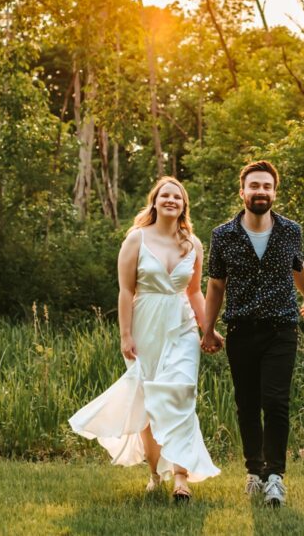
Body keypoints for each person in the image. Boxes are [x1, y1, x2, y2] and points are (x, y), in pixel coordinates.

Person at [69, 177, 220, 503]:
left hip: (181, 327)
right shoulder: (136, 240)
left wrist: (207, 329)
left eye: (176, 197)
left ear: (183, 206)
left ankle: (181, 478)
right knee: (151, 404)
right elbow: (126, 291)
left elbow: (194, 291)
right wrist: (125, 334)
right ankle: (155, 474)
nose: (170, 200)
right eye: (165, 195)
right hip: (145, 326)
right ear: (154, 201)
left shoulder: (193, 243)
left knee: (182, 396)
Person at [201, 160, 304, 508]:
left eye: (267, 186)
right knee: (247, 404)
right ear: (243, 192)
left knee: (276, 402)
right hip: (242, 330)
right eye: (254, 186)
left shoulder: (290, 230)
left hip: (282, 328)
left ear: (274, 192)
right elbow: (216, 284)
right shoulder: (223, 235)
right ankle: (254, 471)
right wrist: (208, 329)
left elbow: (298, 265)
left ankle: (275, 478)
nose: (260, 191)